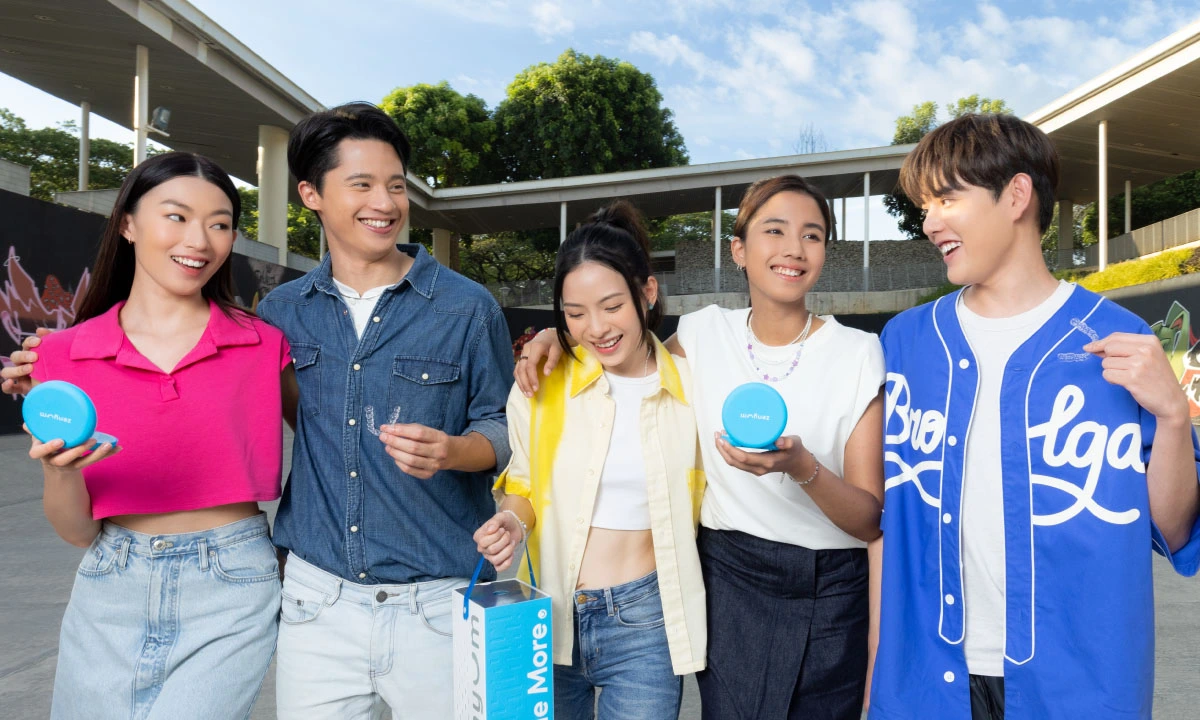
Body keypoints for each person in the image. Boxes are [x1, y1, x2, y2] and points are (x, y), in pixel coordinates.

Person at [868, 113, 1200, 720]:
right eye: (924, 204)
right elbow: (878, 522)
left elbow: (1174, 532)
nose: (930, 220)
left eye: (947, 197)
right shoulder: (906, 341)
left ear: (1016, 195)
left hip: (1079, 685)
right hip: (927, 681)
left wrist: (1174, 419)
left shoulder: (1118, 337)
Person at [517, 175, 886, 719]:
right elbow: (624, 358)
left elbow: (868, 519)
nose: (793, 248)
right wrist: (556, 337)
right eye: (774, 230)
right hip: (731, 579)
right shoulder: (702, 333)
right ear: (738, 249)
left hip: (830, 589)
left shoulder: (859, 353)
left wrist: (802, 468)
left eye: (812, 235)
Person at [254, 102, 513, 718]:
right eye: (362, 184)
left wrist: (455, 450)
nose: (386, 202)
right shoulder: (281, 312)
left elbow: (505, 429)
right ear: (312, 194)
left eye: (397, 185)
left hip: (439, 607)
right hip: (317, 603)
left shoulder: (467, 307)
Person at [15, 151, 291, 719]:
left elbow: (333, 446)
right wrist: (56, 470)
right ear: (128, 223)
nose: (201, 239)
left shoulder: (263, 344)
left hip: (234, 584)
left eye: (219, 224)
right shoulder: (60, 356)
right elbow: (75, 531)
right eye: (177, 216)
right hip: (109, 584)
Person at [476, 201, 706, 720]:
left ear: (646, 292)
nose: (595, 328)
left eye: (611, 306)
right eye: (574, 314)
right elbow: (525, 486)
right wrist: (511, 521)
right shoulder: (539, 387)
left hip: (646, 620)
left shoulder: (693, 388)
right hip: (548, 613)